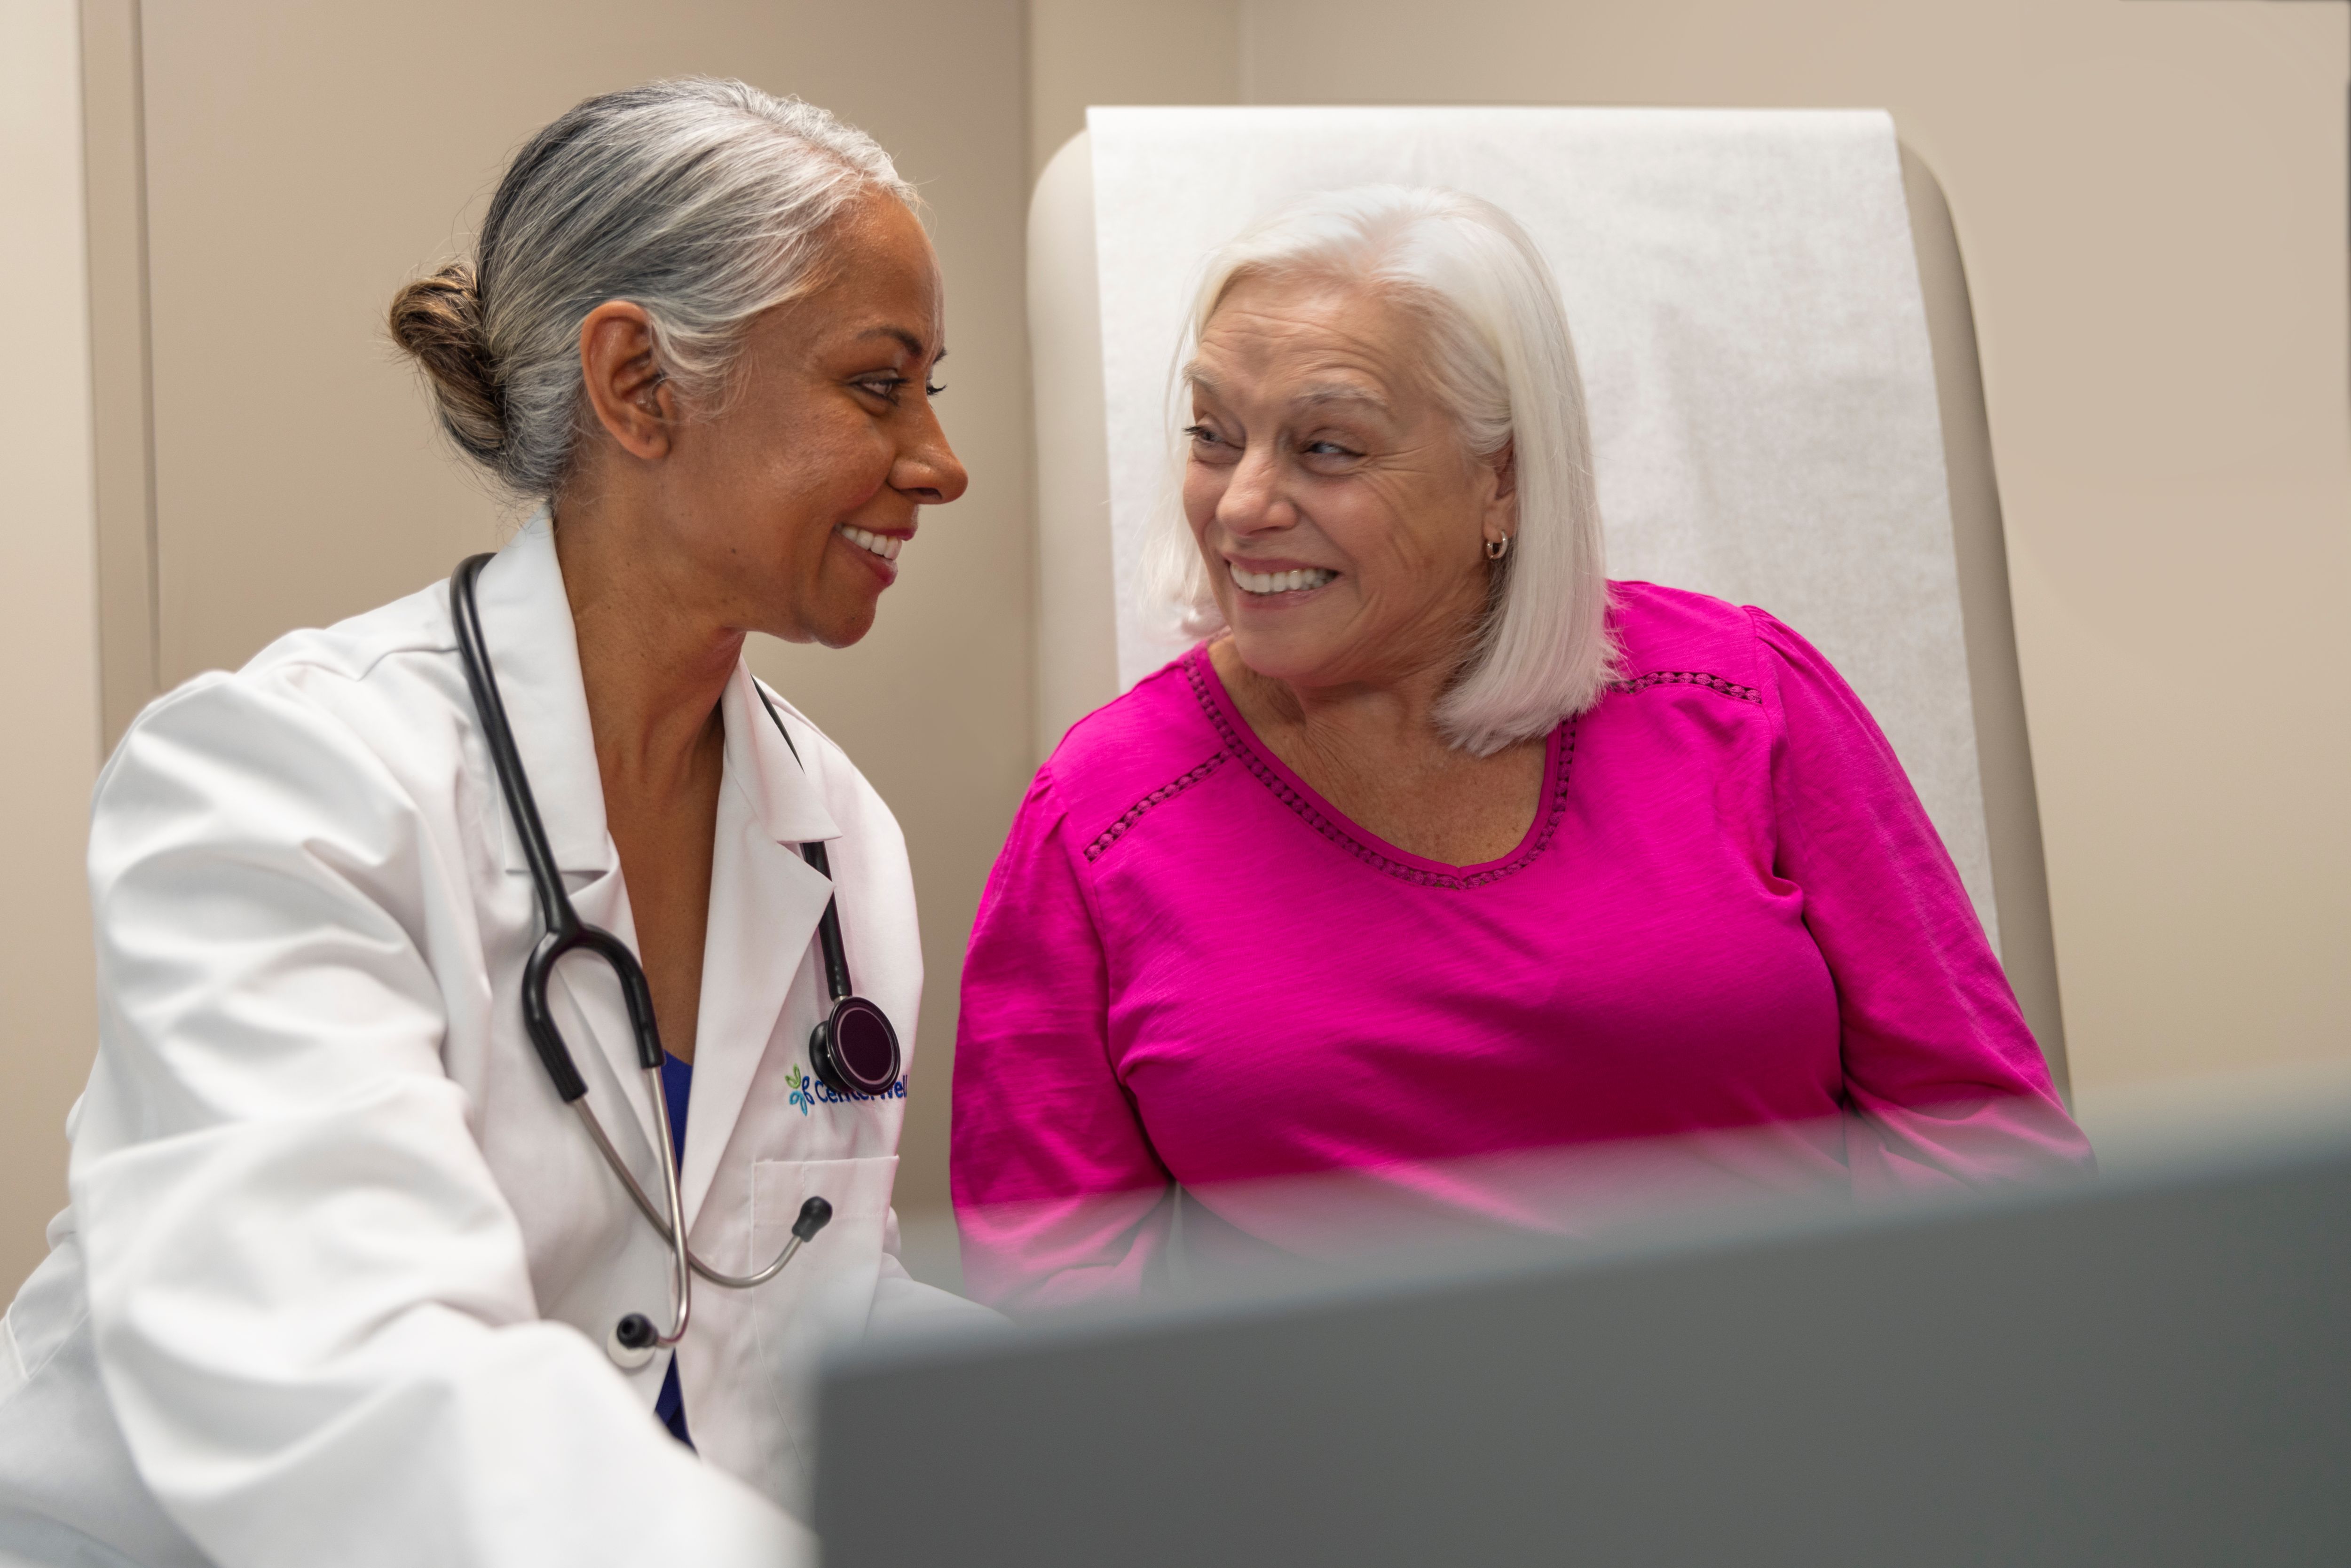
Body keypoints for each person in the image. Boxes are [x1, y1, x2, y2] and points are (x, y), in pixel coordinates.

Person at [0, 79, 975, 1567]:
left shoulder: (834, 835)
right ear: (641, 383)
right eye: (877, 384)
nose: (940, 463)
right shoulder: (288, 778)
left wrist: (1102, 1449)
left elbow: (787, 1288)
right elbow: (345, 1376)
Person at [951, 186, 2092, 1310]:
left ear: (1500, 476)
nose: (1241, 505)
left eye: (1329, 448)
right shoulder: (1098, 816)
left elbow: (1976, 1133)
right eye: (1213, 434)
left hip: (1792, 1431)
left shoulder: (1740, 701)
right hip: (1341, 1474)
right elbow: (1055, 1282)